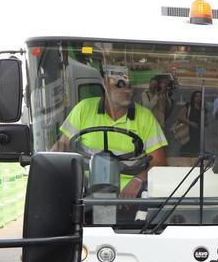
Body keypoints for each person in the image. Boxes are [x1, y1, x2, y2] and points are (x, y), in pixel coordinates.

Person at [56, 64, 168, 197]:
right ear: (105, 84)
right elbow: (61, 146)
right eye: (120, 84)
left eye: (129, 85)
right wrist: (46, 162)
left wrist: (138, 180)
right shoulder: (83, 109)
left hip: (131, 195)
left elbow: (159, 162)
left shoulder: (145, 117)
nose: (126, 90)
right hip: (85, 190)